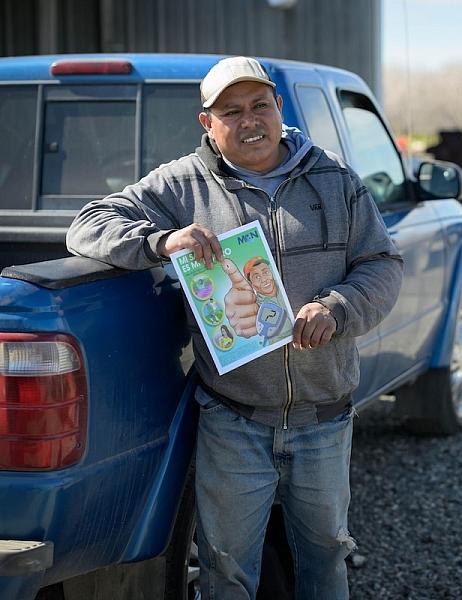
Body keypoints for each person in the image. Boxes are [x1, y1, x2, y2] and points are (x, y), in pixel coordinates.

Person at [66, 56, 403, 600]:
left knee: (324, 558)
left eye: (260, 106)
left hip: (324, 418)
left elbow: (382, 263)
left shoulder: (335, 180)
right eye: (231, 111)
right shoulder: (182, 184)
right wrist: (160, 241)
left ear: (278, 107)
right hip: (233, 421)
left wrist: (338, 308)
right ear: (207, 123)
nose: (250, 121)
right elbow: (88, 225)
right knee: (227, 570)